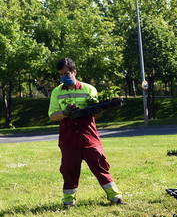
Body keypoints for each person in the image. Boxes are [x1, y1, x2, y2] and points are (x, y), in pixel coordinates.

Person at [48, 57, 123, 208]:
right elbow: (52, 115)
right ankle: (68, 201)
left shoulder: (89, 89)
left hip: (88, 136)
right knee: (69, 170)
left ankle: (115, 197)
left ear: (74, 72)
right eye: (61, 74)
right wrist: (65, 112)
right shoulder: (56, 92)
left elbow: (97, 115)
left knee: (100, 165)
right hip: (68, 137)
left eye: (67, 73)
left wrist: (96, 108)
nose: (64, 77)